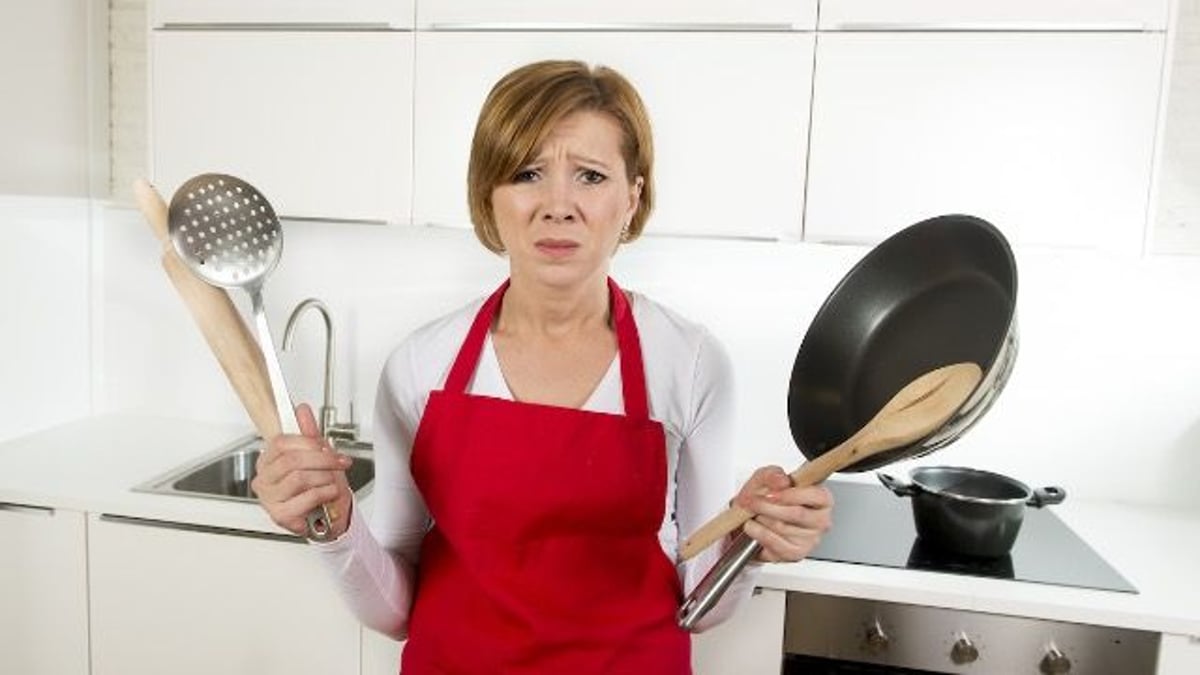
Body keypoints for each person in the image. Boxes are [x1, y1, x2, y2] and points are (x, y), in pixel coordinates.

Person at [251, 59, 833, 674]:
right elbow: (397, 609)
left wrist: (749, 546)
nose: (559, 205)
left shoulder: (688, 363)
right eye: (527, 173)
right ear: (488, 195)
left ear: (632, 198)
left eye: (590, 175)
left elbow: (700, 601)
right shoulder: (421, 367)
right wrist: (335, 526)